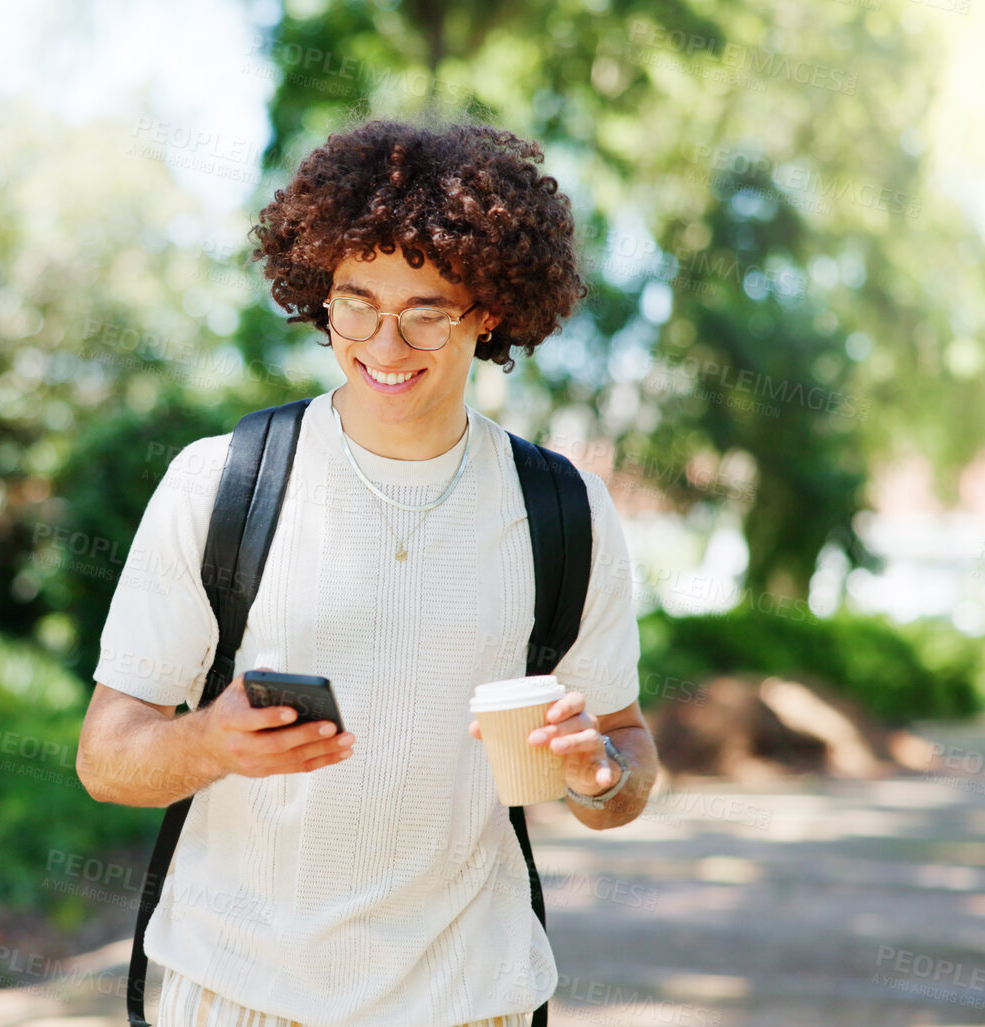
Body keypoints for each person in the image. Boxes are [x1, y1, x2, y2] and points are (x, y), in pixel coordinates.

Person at [75, 117, 658, 1027]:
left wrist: (593, 773)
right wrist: (208, 743)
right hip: (237, 994)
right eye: (355, 303)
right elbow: (106, 756)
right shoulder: (221, 481)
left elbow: (625, 760)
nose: (384, 343)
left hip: (469, 999)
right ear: (320, 296)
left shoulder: (566, 511)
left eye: (426, 310)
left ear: (490, 311)